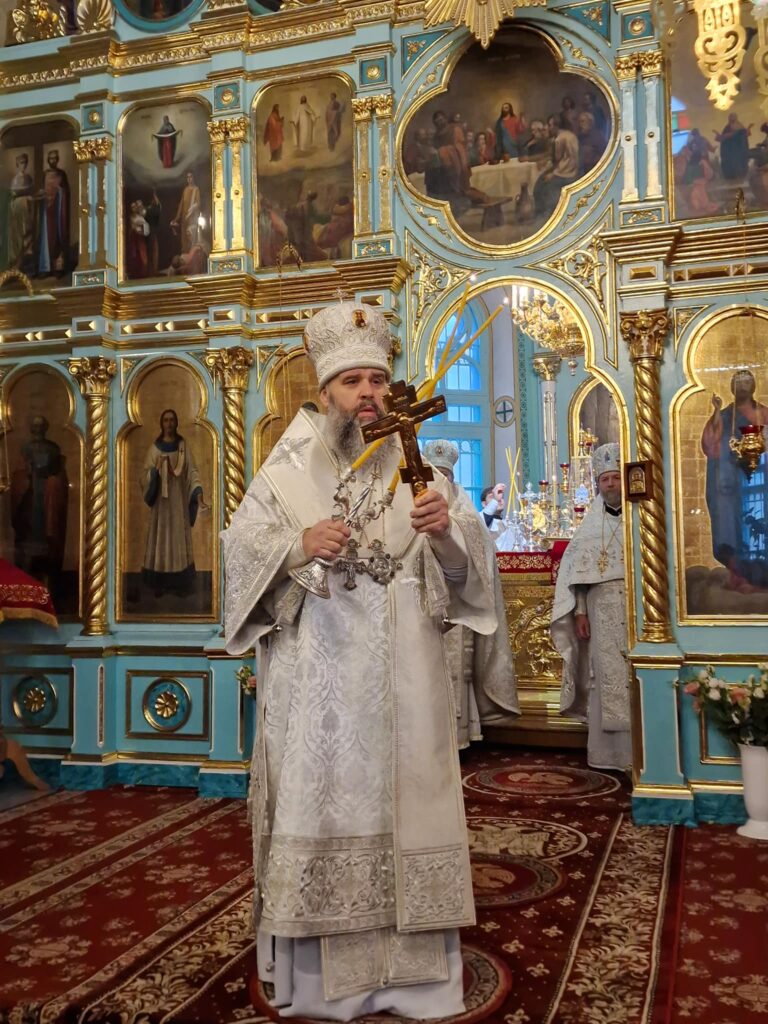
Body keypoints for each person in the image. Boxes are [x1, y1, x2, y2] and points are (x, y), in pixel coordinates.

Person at [221, 302, 499, 1020]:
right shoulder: (287, 470)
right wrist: (297, 546)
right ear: (325, 392)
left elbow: (469, 584)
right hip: (318, 684)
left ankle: (419, 983)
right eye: (352, 382)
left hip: (408, 683)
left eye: (377, 379)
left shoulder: (421, 468)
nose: (368, 393)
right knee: (321, 813)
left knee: (412, 810)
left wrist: (446, 535)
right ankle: (321, 985)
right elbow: (238, 556)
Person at [424, 439, 519, 747]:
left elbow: (483, 551)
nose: (440, 480)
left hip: (459, 601)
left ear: (453, 479)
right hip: (423, 605)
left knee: (456, 670)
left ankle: (460, 736)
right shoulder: (414, 506)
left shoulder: (464, 510)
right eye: (435, 473)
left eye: (446, 475)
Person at [550, 442, 632, 771]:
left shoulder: (641, 518)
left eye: (615, 477)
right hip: (599, 608)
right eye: (605, 479)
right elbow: (578, 576)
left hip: (636, 607)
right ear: (598, 484)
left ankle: (640, 753)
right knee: (604, 674)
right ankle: (607, 754)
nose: (610, 484)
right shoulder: (589, 526)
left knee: (633, 674)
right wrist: (580, 612)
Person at [700, 369, 768, 590]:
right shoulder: (725, 416)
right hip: (729, 485)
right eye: (738, 383)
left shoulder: (763, 414)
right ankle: (738, 576)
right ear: (732, 388)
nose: (742, 386)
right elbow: (710, 445)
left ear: (753, 386)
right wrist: (717, 412)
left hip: (758, 483)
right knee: (729, 522)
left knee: (757, 525)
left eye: (746, 382)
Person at [141, 409, 206, 596]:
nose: (169, 424)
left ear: (176, 423)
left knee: (177, 538)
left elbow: (192, 471)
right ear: (161, 424)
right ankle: (159, 583)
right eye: (166, 420)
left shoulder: (183, 446)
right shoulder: (155, 448)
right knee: (161, 538)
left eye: (172, 420)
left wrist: (198, 492)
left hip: (178, 502)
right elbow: (144, 474)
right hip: (161, 505)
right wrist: (154, 473)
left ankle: (180, 583)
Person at [10, 415, 69, 586]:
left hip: (47, 500)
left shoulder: (53, 449)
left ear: (45, 428)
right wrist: (26, 478)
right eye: (35, 426)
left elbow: (59, 474)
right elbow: (18, 477)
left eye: (41, 426)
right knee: (29, 539)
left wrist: (51, 483)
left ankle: (48, 580)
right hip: (30, 500)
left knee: (47, 539)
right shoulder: (25, 448)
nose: (38, 430)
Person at [37, 149, 70, 277]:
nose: (53, 161)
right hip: (46, 211)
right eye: (51, 158)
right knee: (46, 239)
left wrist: (60, 191)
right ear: (48, 160)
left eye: (55, 158)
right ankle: (45, 268)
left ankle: (58, 267)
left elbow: (66, 191)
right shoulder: (45, 174)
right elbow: (41, 190)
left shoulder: (62, 174)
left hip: (58, 210)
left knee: (58, 237)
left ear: (57, 160)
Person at [8, 153, 35, 272]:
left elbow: (31, 189)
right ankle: (17, 264)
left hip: (27, 208)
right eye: (21, 163)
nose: (23, 165)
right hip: (17, 209)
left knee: (28, 233)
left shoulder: (28, 177)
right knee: (18, 235)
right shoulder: (15, 179)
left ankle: (27, 262)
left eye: (25, 162)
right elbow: (13, 193)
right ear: (17, 164)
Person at [714, 113, 752, 182]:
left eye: (732, 117)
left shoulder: (739, 126)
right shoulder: (727, 127)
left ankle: (739, 178)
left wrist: (748, 129)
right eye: (730, 117)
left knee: (738, 166)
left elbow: (744, 135)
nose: (731, 119)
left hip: (737, 151)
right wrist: (721, 136)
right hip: (729, 152)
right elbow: (722, 138)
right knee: (729, 166)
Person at [170, 171, 201, 253]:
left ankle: (192, 253)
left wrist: (192, 209)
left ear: (193, 178)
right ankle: (185, 252)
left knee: (191, 235)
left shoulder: (196, 189)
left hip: (192, 217)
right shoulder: (185, 190)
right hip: (184, 217)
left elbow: (198, 203)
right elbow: (181, 204)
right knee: (184, 236)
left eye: (191, 177)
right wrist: (177, 217)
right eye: (188, 177)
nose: (189, 179)